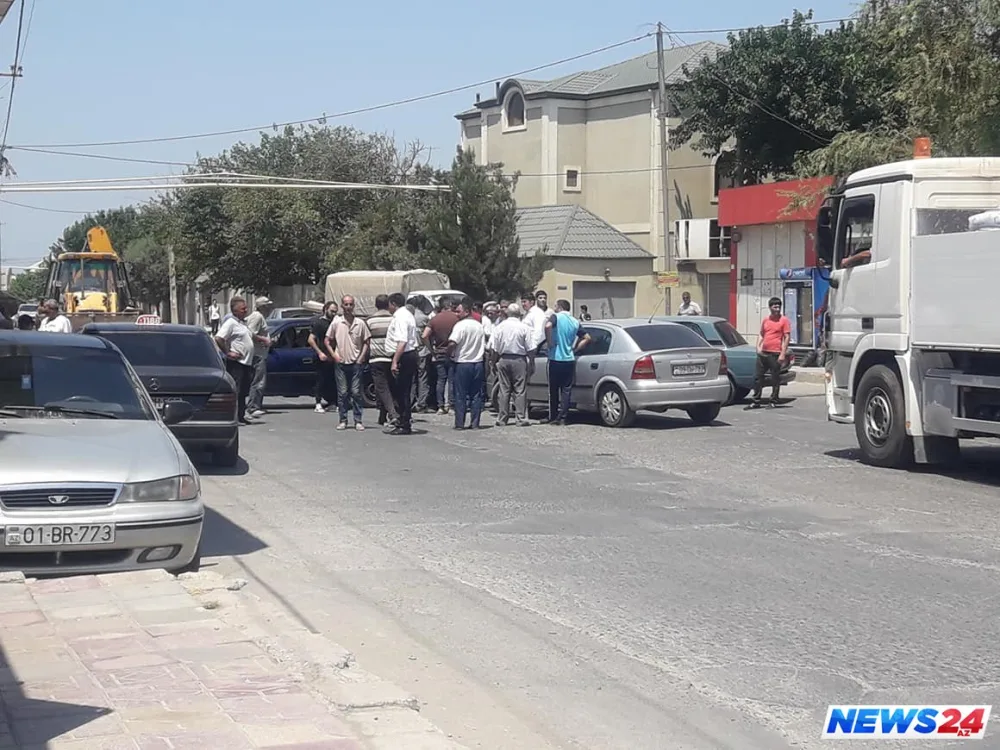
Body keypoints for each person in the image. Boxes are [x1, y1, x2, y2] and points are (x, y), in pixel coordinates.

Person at [543, 299, 591, 426]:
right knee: (566, 390)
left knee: (553, 390)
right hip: (569, 359)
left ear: (559, 307)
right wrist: (575, 349)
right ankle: (563, 417)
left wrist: (549, 342)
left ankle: (553, 416)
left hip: (555, 358)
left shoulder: (556, 317)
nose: (554, 308)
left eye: (555, 306)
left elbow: (547, 326)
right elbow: (587, 337)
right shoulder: (575, 321)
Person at [328, 295, 371, 431]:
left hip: (356, 363)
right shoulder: (336, 322)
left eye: (350, 304)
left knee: (356, 392)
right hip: (341, 363)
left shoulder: (360, 323)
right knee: (342, 393)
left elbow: (367, 342)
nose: (348, 307)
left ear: (354, 306)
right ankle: (343, 420)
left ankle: (358, 420)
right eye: (345, 304)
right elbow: (327, 340)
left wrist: (361, 357)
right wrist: (334, 354)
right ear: (342, 306)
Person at [214, 297, 255, 425]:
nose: (246, 310)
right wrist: (228, 352)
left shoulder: (242, 323)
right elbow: (219, 338)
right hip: (237, 363)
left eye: (246, 308)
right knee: (237, 391)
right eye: (243, 309)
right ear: (235, 310)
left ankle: (241, 416)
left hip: (246, 363)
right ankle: (235, 417)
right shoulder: (231, 323)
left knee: (243, 391)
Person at [490, 303, 532, 426]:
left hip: (503, 358)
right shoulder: (524, 327)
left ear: (507, 313)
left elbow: (494, 348)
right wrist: (532, 362)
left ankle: (502, 418)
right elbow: (530, 348)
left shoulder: (499, 327)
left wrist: (493, 362)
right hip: (519, 358)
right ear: (519, 314)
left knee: (504, 389)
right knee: (520, 390)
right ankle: (521, 418)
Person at [448, 297, 487, 430]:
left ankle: (460, 423)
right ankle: (475, 422)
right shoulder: (479, 326)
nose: (456, 314)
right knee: (476, 394)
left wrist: (449, 353)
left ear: (466, 311)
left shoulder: (460, 326)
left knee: (460, 394)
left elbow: (453, 342)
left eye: (458, 312)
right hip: (478, 362)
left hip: (463, 363)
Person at [747, 296, 791, 409]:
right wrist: (758, 346)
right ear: (770, 307)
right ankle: (756, 401)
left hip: (775, 353)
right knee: (758, 377)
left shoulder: (784, 320)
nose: (777, 308)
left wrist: (782, 354)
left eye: (779, 306)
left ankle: (773, 400)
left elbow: (786, 337)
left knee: (774, 378)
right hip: (764, 353)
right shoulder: (766, 320)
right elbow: (761, 334)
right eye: (775, 306)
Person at [385, 292, 419, 435]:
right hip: (408, 354)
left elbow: (402, 341)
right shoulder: (408, 314)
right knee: (402, 391)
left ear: (393, 304)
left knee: (401, 391)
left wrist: (395, 361)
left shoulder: (400, 317)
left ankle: (404, 423)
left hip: (404, 356)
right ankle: (403, 421)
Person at [366, 294, 399, 427]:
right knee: (390, 387)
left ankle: (392, 414)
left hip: (376, 358)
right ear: (388, 304)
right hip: (391, 357)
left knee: (382, 388)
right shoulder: (394, 320)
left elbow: (366, 341)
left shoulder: (369, 321)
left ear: (376, 305)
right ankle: (382, 416)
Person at [245, 296, 274, 419]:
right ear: (263, 306)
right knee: (258, 381)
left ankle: (255, 405)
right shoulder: (257, 317)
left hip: (260, 353)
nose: (270, 308)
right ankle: (253, 407)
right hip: (258, 354)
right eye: (268, 305)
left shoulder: (260, 317)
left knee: (258, 380)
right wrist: (264, 340)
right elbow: (250, 333)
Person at [308, 301, 338, 413]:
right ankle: (318, 403)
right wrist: (320, 353)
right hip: (322, 357)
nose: (334, 314)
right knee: (320, 380)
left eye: (335, 311)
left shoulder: (335, 323)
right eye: (332, 311)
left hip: (333, 357)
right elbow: (311, 340)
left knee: (332, 381)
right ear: (326, 309)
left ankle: (333, 403)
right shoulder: (319, 323)